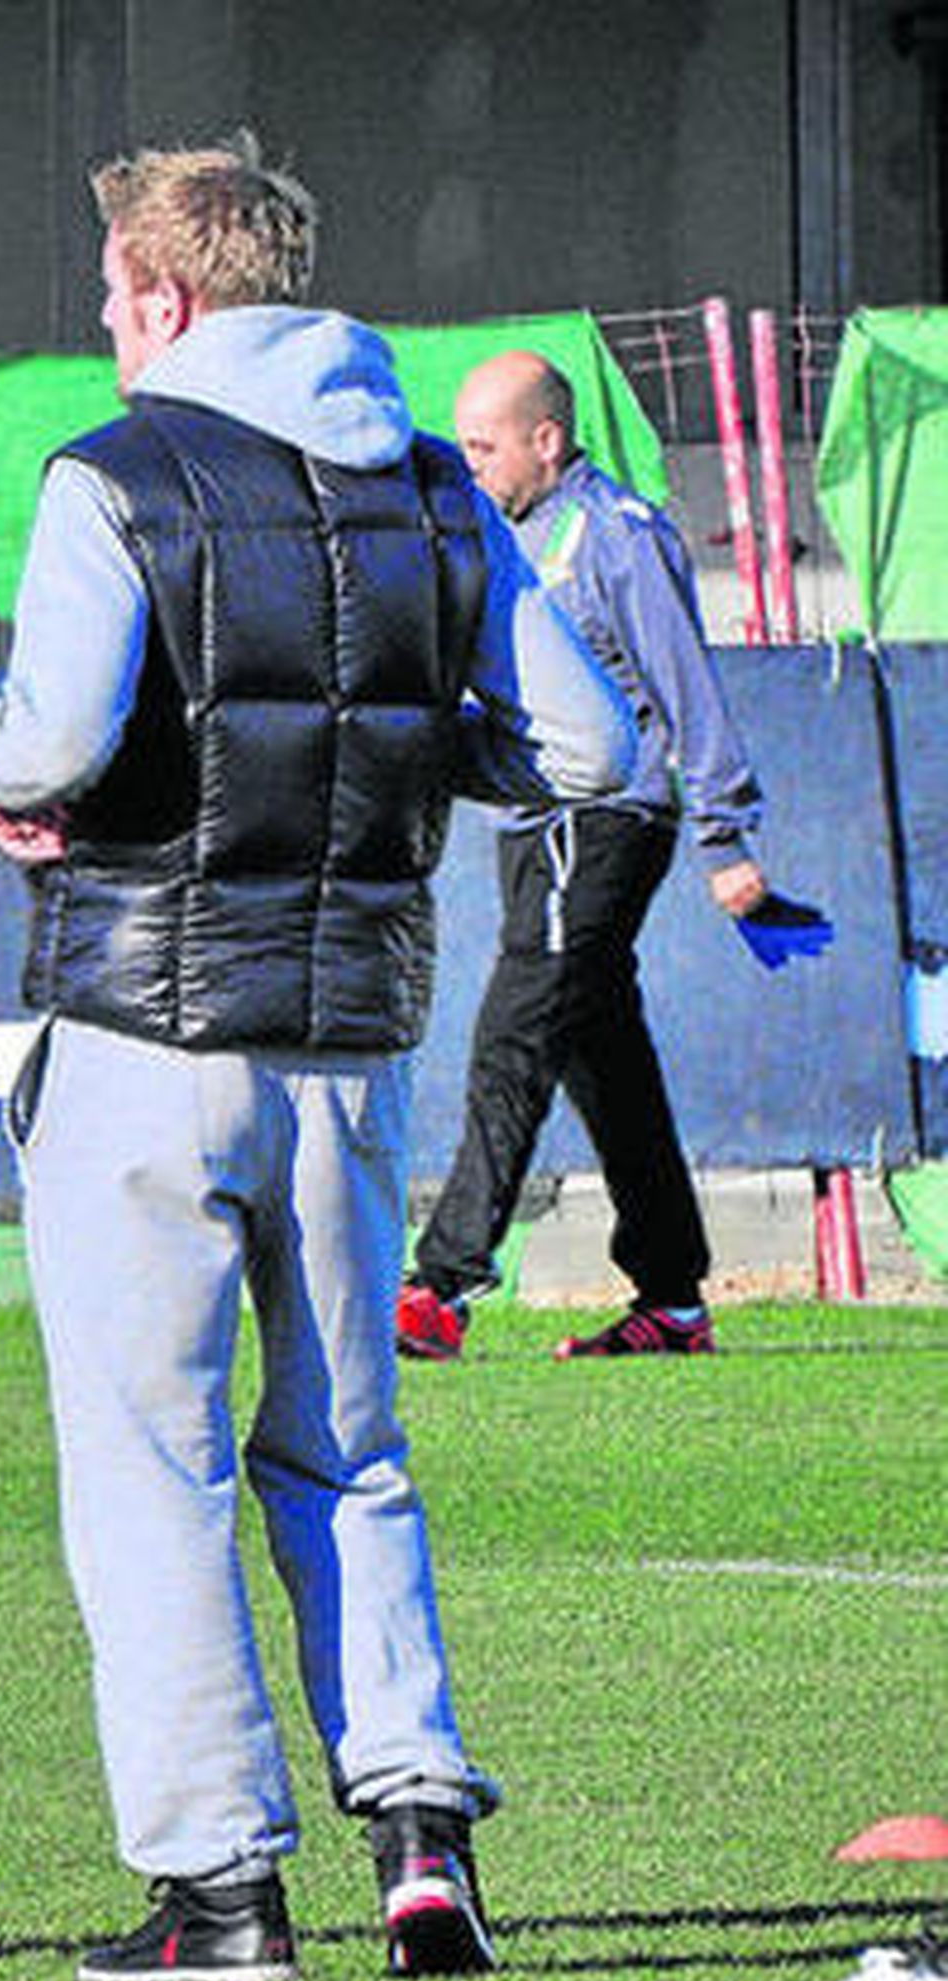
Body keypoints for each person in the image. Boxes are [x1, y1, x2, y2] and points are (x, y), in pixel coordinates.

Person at [0, 138, 633, 1981]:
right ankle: (420, 1836)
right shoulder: (435, 478)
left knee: (150, 1468)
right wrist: (414, 748)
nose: (104, 325)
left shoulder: (112, 475)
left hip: (145, 1041)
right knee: (349, 1450)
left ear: (167, 295)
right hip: (351, 1045)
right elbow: (591, 746)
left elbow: (52, 739)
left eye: (112, 294)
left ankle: (222, 1890)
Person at [395, 349, 769, 1365]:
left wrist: (724, 833)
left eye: (485, 447)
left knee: (514, 1032)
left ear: (547, 440)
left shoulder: (614, 534)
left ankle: (441, 1285)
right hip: (534, 830)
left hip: (601, 822)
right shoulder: (496, 536)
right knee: (605, 1060)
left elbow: (685, 686)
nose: (471, 465)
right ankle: (672, 1300)